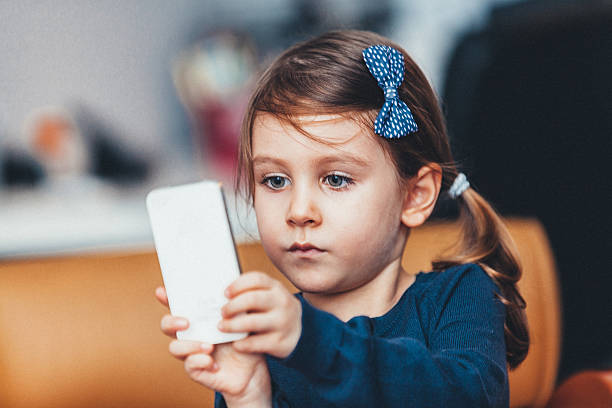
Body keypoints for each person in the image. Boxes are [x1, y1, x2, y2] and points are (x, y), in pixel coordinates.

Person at [155, 29, 529, 407]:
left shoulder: (459, 295)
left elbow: (465, 398)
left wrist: (312, 341)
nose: (299, 211)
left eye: (336, 179)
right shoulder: (266, 338)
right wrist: (248, 395)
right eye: (275, 180)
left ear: (415, 196)